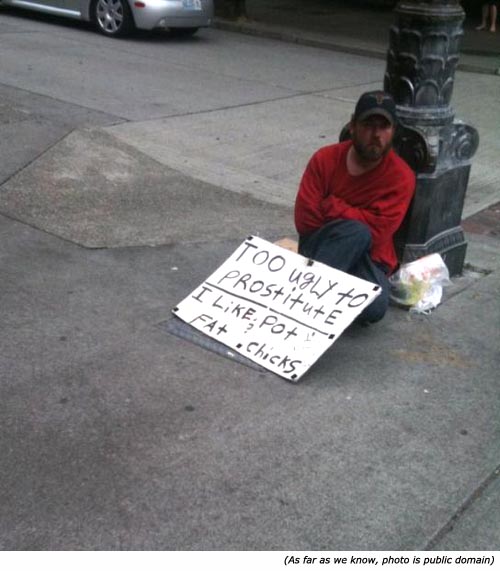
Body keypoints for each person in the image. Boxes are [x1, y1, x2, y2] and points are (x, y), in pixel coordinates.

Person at [294, 91, 416, 324]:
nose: (376, 135)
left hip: (369, 258)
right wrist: (358, 220)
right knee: (357, 231)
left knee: (375, 309)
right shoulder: (324, 159)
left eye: (384, 127)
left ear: (393, 132)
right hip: (322, 245)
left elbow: (379, 232)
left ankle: (310, 287)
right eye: (368, 125)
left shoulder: (402, 177)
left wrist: (332, 205)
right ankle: (303, 300)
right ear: (352, 126)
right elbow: (305, 221)